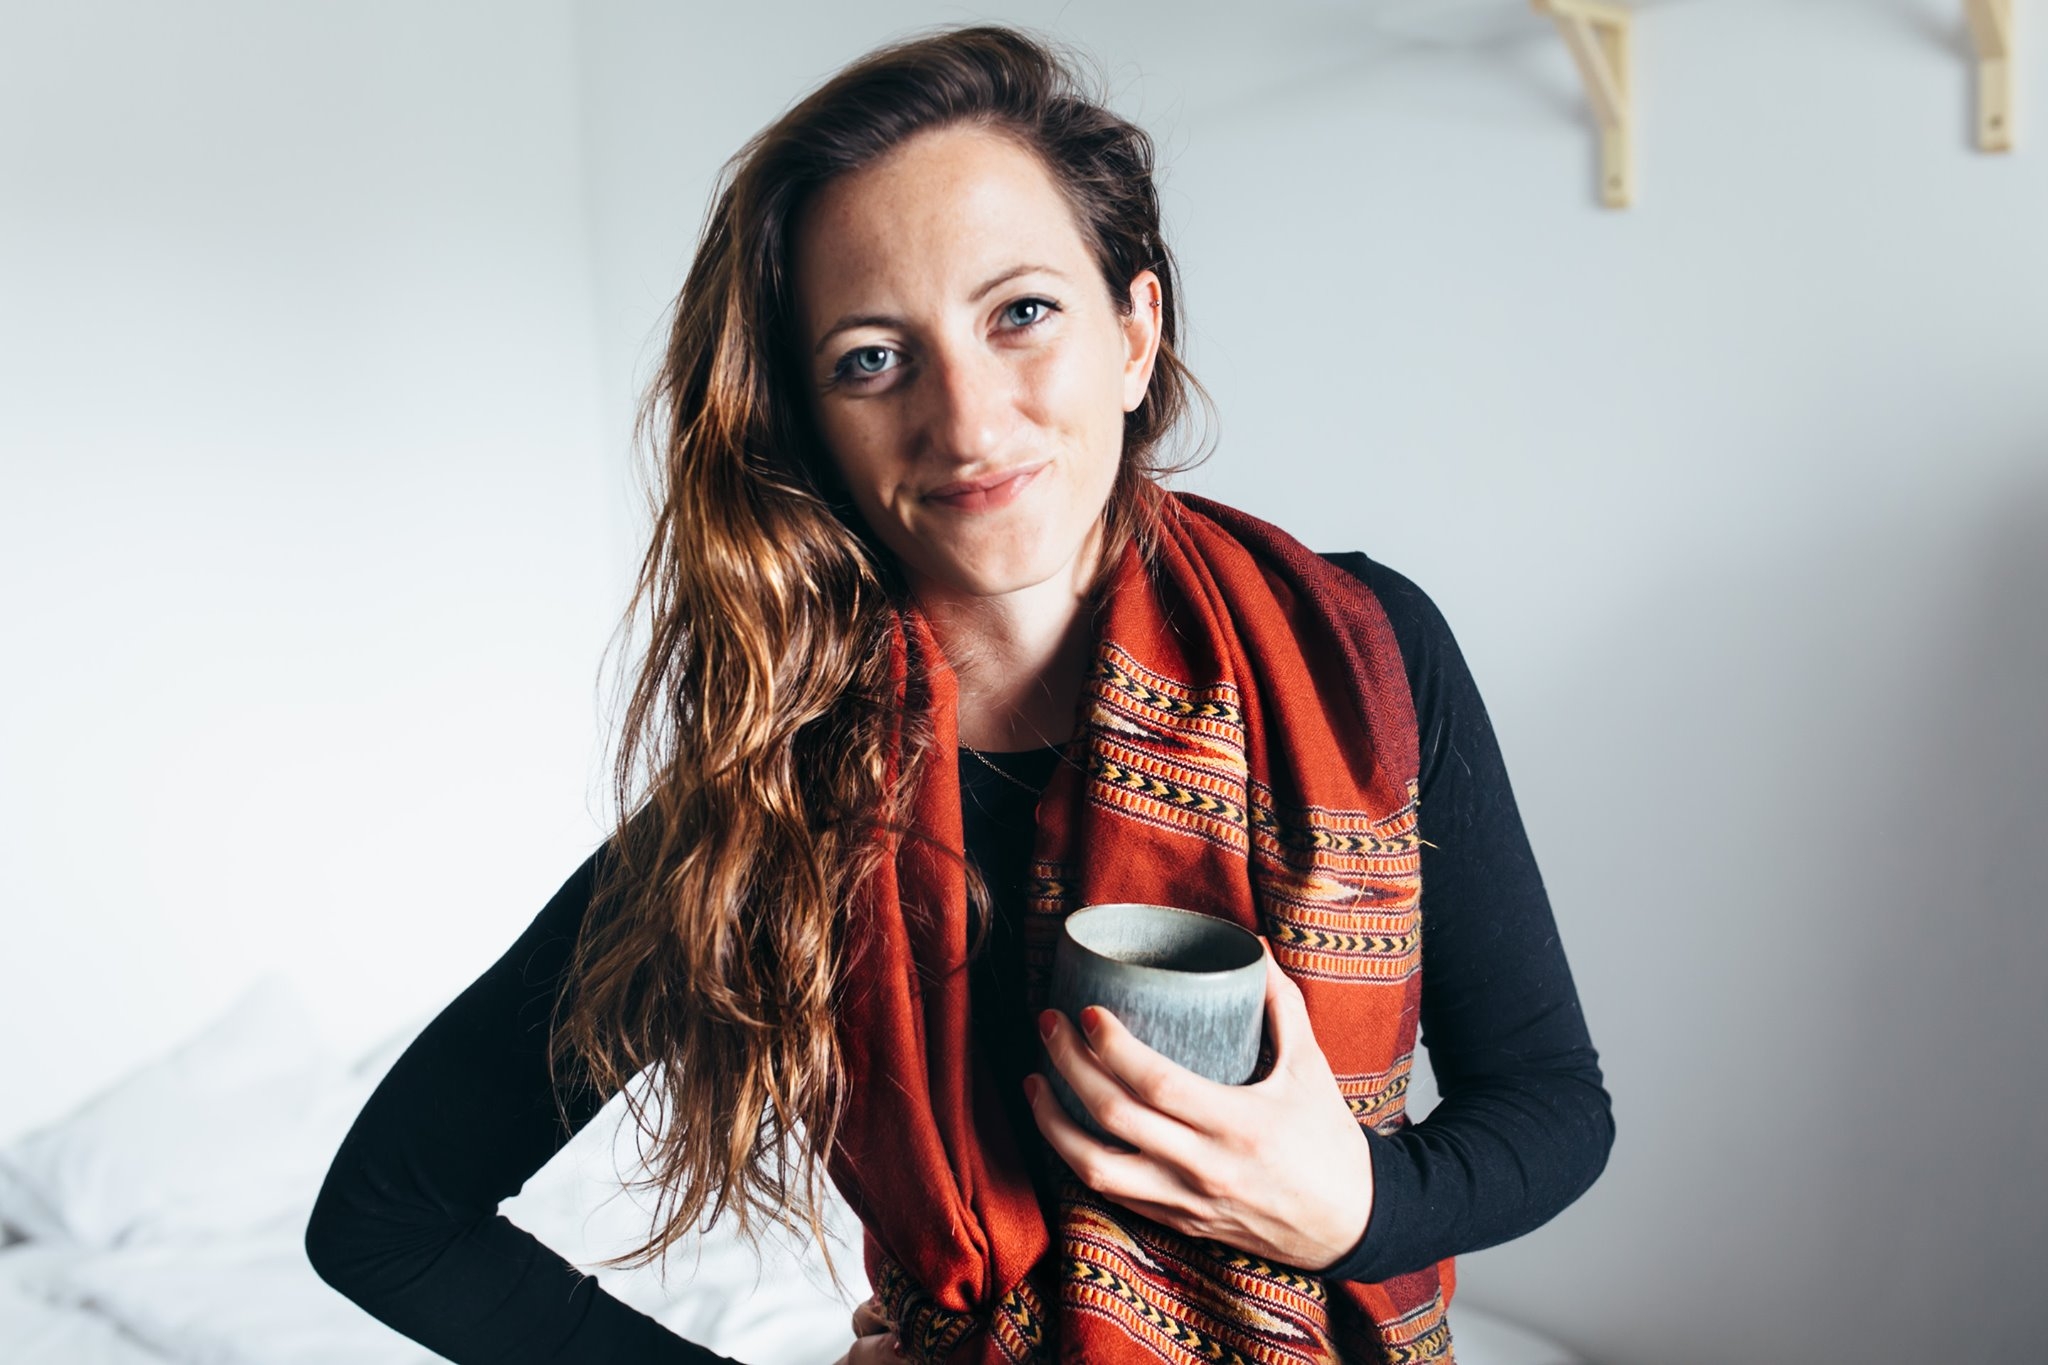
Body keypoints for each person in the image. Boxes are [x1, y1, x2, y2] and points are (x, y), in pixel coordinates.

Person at [304, 23, 1614, 1365]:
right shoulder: (775, 791)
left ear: (1135, 331)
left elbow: (1554, 1108)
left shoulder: (1362, 653)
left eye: (1021, 313)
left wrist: (1356, 1209)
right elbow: (389, 1218)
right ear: (810, 425)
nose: (970, 423)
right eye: (873, 358)